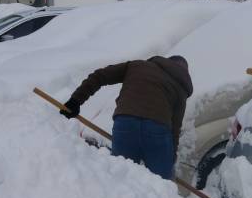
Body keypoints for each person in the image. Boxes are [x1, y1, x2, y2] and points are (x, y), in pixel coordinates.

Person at [60, 55, 193, 180]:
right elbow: (175, 129)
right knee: (162, 186)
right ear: (184, 73)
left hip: (125, 123)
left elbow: (100, 76)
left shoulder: (137, 65)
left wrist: (75, 101)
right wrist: (170, 161)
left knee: (122, 178)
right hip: (157, 131)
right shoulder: (180, 89)